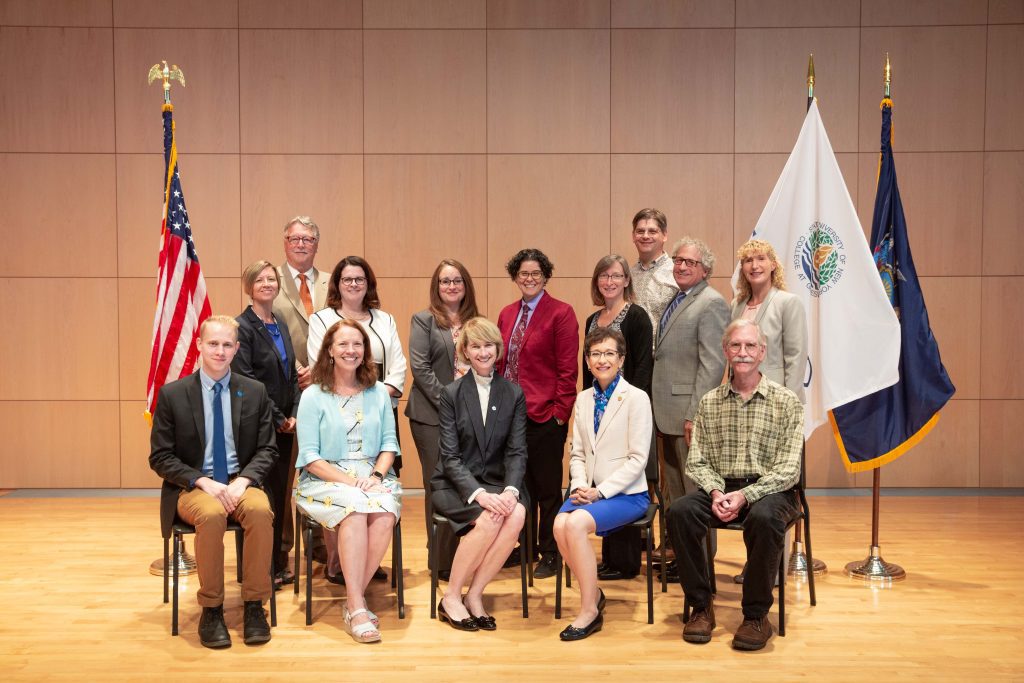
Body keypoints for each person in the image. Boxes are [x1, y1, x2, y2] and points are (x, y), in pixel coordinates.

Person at [669, 319, 803, 651]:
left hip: (771, 490)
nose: (742, 353)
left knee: (764, 518)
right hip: (721, 487)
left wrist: (745, 496)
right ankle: (701, 606)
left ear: (762, 352)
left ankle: (756, 615)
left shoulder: (786, 402)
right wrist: (716, 492)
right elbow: (697, 461)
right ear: (726, 351)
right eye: (736, 346)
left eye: (750, 346)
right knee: (679, 512)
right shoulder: (709, 403)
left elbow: (788, 470)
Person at [149, 315, 277, 649]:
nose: (219, 351)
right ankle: (211, 608)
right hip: (194, 487)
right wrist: (201, 480)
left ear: (236, 348)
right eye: (213, 344)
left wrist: (245, 480)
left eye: (226, 345)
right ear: (200, 346)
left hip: (240, 483)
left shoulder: (253, 391)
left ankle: (253, 606)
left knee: (261, 512)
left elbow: (267, 449)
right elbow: (161, 457)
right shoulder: (173, 395)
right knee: (211, 515)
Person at [294, 319, 402, 644]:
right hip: (324, 477)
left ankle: (353, 599)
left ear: (365, 352)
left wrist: (376, 476)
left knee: (384, 513)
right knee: (354, 510)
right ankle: (357, 607)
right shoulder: (313, 395)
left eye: (357, 344)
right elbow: (310, 457)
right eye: (343, 344)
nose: (350, 350)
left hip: (372, 474)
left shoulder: (378, 393)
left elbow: (389, 445)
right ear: (329, 349)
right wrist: (350, 482)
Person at [307, 256, 407, 583]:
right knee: (353, 503)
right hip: (334, 458)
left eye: (360, 279)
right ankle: (342, 568)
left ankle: (356, 585)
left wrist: (377, 392)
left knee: (379, 504)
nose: (354, 284)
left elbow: (397, 365)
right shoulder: (322, 321)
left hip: (376, 414)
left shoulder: (384, 320)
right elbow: (310, 457)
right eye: (347, 279)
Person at [553, 328, 652, 641]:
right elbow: (577, 451)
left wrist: (601, 491)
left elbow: (638, 459)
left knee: (576, 524)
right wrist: (580, 485)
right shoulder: (582, 400)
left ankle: (588, 611)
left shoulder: (637, 398)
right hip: (589, 488)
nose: (602, 359)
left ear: (621, 359)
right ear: (587, 359)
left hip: (626, 493)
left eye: (609, 353)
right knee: (558, 525)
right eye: (595, 353)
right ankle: (593, 593)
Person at [431, 317, 528, 632]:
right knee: (489, 518)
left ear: (498, 349)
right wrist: (479, 494)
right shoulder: (451, 393)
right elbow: (450, 456)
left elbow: (516, 451)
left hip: (498, 482)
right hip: (456, 484)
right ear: (465, 352)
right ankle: (450, 597)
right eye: (476, 346)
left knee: (516, 514)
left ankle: (474, 595)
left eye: (488, 345)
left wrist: (511, 491)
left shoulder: (513, 394)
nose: (483, 352)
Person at [496, 248, 579, 579]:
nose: (529, 279)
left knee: (546, 489)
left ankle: (551, 551)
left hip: (545, 415)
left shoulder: (561, 313)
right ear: (515, 277)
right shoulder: (506, 313)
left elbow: (567, 368)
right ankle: (525, 547)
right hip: (511, 415)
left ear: (546, 276)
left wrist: (560, 413)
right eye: (522, 274)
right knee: (519, 486)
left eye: (535, 273)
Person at [730, 238, 808, 584]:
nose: (754, 265)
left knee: (771, 489)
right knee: (746, 483)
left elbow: (795, 358)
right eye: (747, 260)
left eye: (760, 259)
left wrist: (790, 411)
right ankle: (755, 562)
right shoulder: (738, 305)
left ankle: (770, 568)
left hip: (775, 409)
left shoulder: (788, 303)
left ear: (773, 264)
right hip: (740, 406)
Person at [651, 237, 729, 582]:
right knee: (674, 495)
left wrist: (696, 414)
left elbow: (712, 365)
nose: (681, 266)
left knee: (694, 496)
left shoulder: (711, 303)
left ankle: (701, 568)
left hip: (687, 416)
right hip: (665, 415)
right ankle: (683, 563)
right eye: (679, 261)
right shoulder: (678, 298)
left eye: (690, 263)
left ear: (706, 270)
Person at [406, 259, 481, 579]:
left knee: (464, 483)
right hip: (431, 417)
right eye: (445, 281)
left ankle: (464, 556)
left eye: (457, 281)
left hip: (469, 419)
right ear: (436, 287)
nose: (451, 286)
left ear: (466, 286)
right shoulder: (423, 321)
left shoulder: (477, 322)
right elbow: (420, 369)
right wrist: (450, 404)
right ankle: (439, 559)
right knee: (438, 483)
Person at [582, 255, 653, 581]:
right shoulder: (593, 319)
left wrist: (624, 407)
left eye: (616, 276)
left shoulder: (637, 316)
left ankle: (626, 563)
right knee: (600, 476)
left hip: (626, 408)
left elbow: (641, 366)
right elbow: (589, 368)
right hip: (596, 407)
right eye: (603, 276)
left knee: (621, 477)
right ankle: (610, 560)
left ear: (627, 280)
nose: (609, 282)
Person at [233, 260, 301, 589]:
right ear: (249, 286)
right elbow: (246, 380)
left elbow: (291, 376)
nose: (266, 283)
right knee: (261, 496)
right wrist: (277, 417)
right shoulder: (242, 327)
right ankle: (256, 569)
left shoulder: (281, 322)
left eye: (271, 278)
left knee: (280, 494)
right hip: (259, 426)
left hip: (287, 423)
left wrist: (295, 413)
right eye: (259, 279)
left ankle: (275, 564)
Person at [272, 215, 330, 567]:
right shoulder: (270, 278)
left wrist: (321, 371)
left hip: (325, 389)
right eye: (294, 238)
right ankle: (281, 548)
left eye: (308, 239)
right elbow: (264, 327)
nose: (301, 244)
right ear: (285, 242)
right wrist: (295, 370)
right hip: (284, 390)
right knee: (283, 473)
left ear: (316, 244)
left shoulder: (330, 281)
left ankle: (321, 543)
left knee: (321, 467)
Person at [629, 208, 677, 338]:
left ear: (664, 235)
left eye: (652, 231)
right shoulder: (628, 276)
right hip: (633, 354)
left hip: (665, 355)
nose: (645, 236)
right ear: (633, 236)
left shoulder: (678, 273)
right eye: (640, 231)